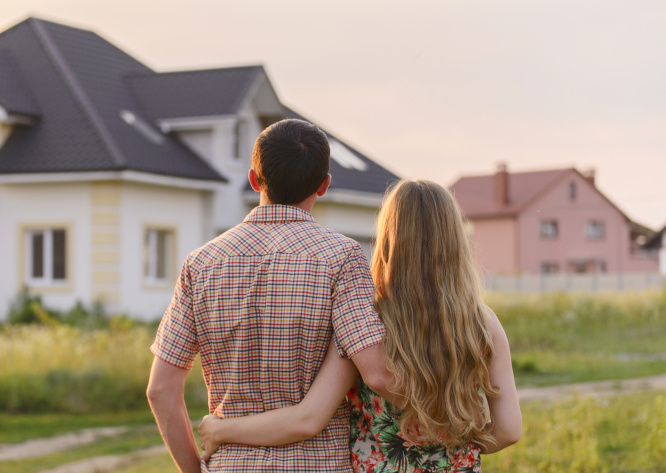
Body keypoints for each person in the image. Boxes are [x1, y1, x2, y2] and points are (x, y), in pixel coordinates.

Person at [197, 179, 523, 472]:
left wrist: (221, 429)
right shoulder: (483, 323)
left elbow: (307, 419)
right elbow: (509, 430)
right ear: (454, 241)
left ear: (388, 240)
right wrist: (451, 453)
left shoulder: (363, 320)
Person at [147, 119, 397, 472]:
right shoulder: (342, 258)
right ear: (324, 185)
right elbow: (379, 375)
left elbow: (160, 391)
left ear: (253, 179)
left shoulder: (200, 264)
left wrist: (194, 469)